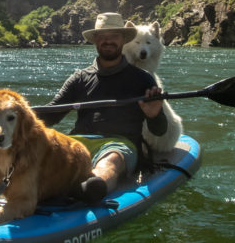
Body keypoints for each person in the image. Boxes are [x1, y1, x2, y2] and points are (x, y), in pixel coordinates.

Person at [42, 12, 167, 202]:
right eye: (103, 37)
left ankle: (92, 186)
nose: (108, 41)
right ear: (95, 41)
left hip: (119, 144)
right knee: (47, 153)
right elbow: (51, 114)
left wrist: (154, 115)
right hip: (77, 142)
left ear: (123, 40)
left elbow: (159, 130)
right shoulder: (79, 78)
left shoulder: (143, 79)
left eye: (114, 36)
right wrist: (21, 117)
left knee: (111, 160)